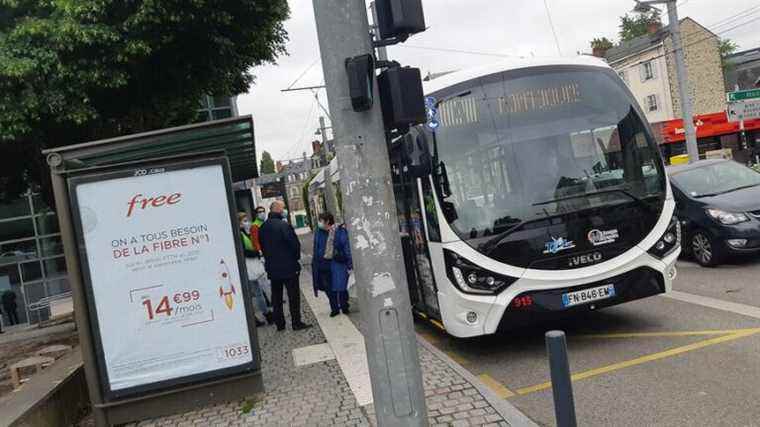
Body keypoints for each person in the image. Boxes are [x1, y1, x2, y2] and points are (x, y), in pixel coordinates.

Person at [259, 200, 312, 331]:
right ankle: (296, 322)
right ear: (277, 209)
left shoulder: (263, 228)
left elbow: (263, 248)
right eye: (283, 208)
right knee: (293, 296)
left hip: (272, 267)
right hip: (289, 267)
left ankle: (280, 324)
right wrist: (295, 260)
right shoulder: (284, 226)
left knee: (276, 297)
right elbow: (295, 245)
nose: (284, 210)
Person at [238, 213, 272, 327]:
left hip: (251, 267)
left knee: (258, 292)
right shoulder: (239, 235)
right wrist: (257, 253)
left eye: (247, 220)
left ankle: (266, 314)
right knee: (251, 294)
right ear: (238, 223)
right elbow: (243, 251)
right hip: (246, 268)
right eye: (244, 220)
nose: (247, 222)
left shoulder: (246, 233)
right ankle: (257, 317)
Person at [328, 220, 353, 316]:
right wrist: (350, 265)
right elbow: (347, 249)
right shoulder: (342, 232)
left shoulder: (335, 230)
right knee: (343, 285)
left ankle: (341, 306)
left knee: (339, 284)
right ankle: (344, 306)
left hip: (335, 261)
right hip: (341, 261)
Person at [312, 213, 335, 314]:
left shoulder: (335, 231)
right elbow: (316, 247)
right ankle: (334, 307)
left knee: (337, 286)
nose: (319, 223)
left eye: (321, 221)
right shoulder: (318, 231)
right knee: (326, 286)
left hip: (333, 263)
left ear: (328, 221)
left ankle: (342, 304)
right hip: (321, 264)